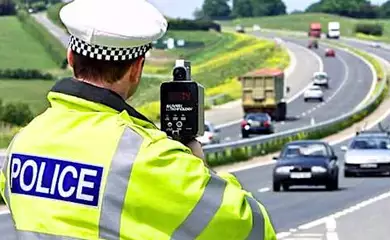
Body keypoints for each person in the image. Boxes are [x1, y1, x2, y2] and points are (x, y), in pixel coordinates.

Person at [0, 0, 277, 239]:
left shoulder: (23, 143)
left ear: (71, 57)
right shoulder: (148, 158)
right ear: (136, 68)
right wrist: (199, 169)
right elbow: (250, 229)